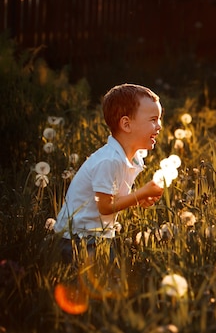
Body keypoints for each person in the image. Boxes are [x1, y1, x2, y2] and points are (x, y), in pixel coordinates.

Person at [55, 83, 165, 264]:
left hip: (97, 234)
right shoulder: (109, 160)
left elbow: (113, 197)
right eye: (153, 119)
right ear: (126, 124)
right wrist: (141, 194)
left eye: (159, 119)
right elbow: (105, 206)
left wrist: (139, 198)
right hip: (77, 238)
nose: (159, 126)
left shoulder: (132, 157)